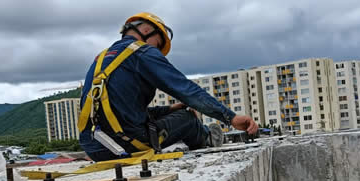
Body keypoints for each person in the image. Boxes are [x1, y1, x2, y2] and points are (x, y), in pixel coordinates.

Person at [77, 12, 258, 162]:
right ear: (147, 30)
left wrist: (169, 109)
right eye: (158, 44)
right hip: (125, 145)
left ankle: (192, 128)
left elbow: (125, 112)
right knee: (188, 118)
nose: (157, 50)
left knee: (172, 114)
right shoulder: (142, 52)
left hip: (95, 148)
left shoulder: (102, 58)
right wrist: (231, 117)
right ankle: (209, 138)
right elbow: (186, 90)